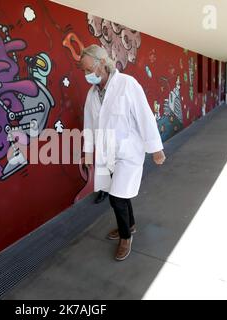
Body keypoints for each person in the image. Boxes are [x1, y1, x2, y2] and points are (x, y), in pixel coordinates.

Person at [80, 44, 166, 261]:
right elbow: (89, 124)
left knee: (117, 197)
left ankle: (126, 237)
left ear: (102, 64)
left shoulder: (127, 84)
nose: (86, 74)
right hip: (107, 155)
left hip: (128, 152)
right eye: (83, 70)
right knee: (121, 192)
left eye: (88, 68)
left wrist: (156, 148)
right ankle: (131, 224)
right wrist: (88, 152)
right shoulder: (92, 94)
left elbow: (145, 116)